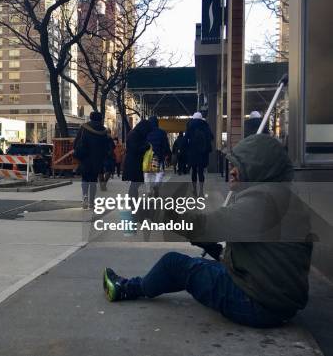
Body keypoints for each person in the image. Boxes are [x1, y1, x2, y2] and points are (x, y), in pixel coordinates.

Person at [103, 134, 313, 328]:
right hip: (280, 301)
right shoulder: (284, 198)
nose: (231, 171)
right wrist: (216, 250)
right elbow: (264, 258)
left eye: (240, 165)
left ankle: (126, 288)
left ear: (259, 168)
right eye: (232, 164)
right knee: (199, 263)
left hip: (256, 304)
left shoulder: (262, 202)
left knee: (173, 263)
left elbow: (203, 227)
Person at [73, 111, 109, 209]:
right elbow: (107, 147)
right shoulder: (103, 131)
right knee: (93, 180)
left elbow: (76, 142)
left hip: (85, 158)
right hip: (97, 159)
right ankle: (92, 202)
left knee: (85, 178)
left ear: (91, 117)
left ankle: (85, 197)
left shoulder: (84, 128)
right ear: (100, 119)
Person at [122, 119, 153, 199]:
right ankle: (132, 202)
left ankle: (133, 201)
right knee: (135, 183)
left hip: (135, 162)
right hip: (133, 163)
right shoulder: (134, 135)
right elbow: (135, 149)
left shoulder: (137, 134)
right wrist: (146, 147)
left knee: (135, 183)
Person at [185, 112, 213, 197]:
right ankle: (201, 191)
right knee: (201, 172)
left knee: (193, 171)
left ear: (193, 118)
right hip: (202, 153)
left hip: (193, 153)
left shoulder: (190, 125)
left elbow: (186, 139)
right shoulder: (205, 125)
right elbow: (211, 137)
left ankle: (194, 190)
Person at [145, 116, 171, 197]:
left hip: (147, 156)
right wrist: (168, 153)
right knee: (159, 173)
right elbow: (166, 145)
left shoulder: (145, 132)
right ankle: (156, 185)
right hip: (158, 155)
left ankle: (149, 191)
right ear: (157, 123)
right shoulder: (162, 132)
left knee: (147, 174)